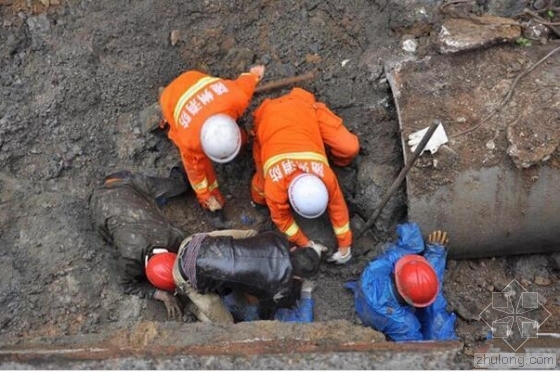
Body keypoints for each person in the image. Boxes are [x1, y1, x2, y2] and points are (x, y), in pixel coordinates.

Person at [250, 87, 360, 264]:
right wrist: (305, 243)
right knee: (260, 191)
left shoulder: (325, 175)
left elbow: (337, 206)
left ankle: (340, 163)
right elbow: (282, 220)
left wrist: (345, 244)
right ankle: (256, 201)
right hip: (268, 119)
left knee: (349, 147)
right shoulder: (275, 187)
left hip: (303, 109)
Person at [158, 65, 266, 229]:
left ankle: (242, 145)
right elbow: (196, 174)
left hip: (194, 78)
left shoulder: (236, 98)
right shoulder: (190, 141)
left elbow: (246, 83)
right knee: (201, 166)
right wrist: (206, 196)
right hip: (171, 98)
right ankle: (214, 205)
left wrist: (254, 75)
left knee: (242, 140)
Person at [89, 170, 190, 319]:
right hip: (103, 197)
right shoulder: (130, 259)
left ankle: (180, 170)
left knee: (179, 186)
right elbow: (126, 284)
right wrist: (161, 295)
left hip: (126, 187)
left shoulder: (173, 237)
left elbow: (193, 247)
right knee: (107, 236)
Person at [171, 229, 323, 323]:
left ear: (295, 248)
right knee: (227, 325)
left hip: (193, 242)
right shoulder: (278, 287)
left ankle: (221, 283)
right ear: (297, 278)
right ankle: (193, 309)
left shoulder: (275, 237)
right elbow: (261, 307)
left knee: (250, 235)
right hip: (184, 275)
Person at [345, 222, 458, 342]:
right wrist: (435, 253)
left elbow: (408, 253)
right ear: (413, 303)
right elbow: (426, 349)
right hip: (381, 315)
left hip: (365, 298)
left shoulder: (376, 270)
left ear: (395, 272)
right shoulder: (406, 325)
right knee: (437, 325)